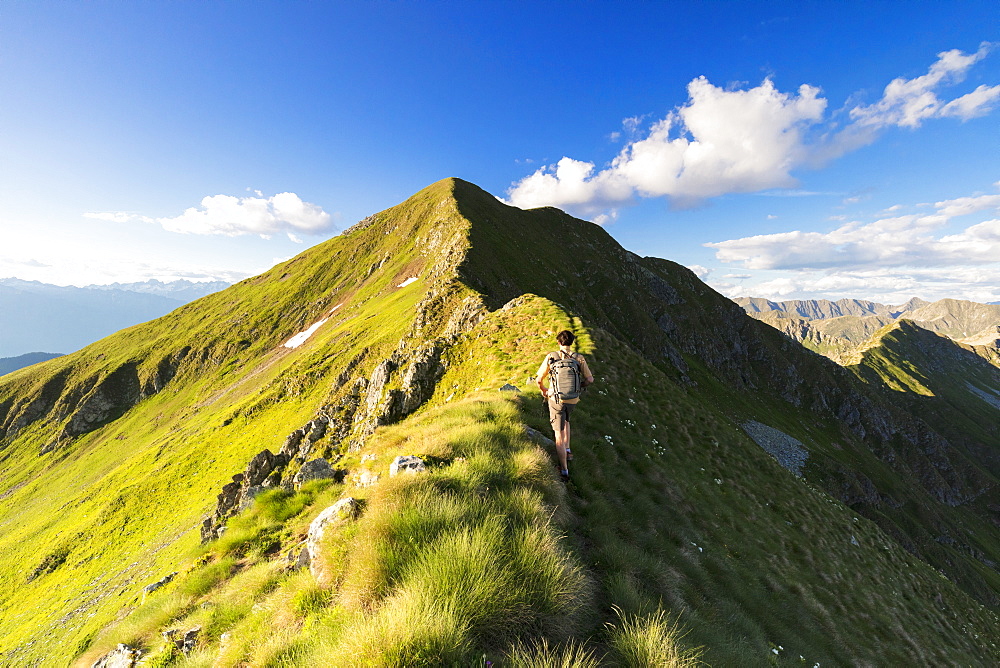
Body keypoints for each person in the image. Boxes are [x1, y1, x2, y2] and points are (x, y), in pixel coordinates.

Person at [536, 330, 594, 482]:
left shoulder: (551, 357)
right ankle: (568, 450)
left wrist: (544, 391)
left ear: (559, 342)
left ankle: (564, 470)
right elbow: (590, 379)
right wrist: (579, 386)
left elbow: (538, 380)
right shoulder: (578, 358)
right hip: (573, 398)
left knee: (558, 435)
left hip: (556, 399)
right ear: (572, 342)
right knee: (566, 420)